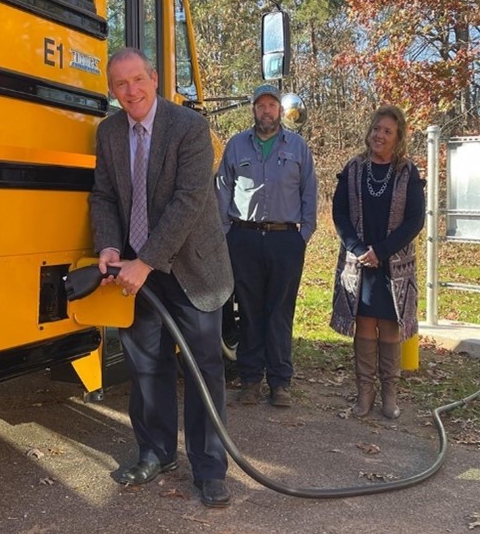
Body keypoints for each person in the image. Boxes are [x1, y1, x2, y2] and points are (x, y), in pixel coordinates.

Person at [88, 47, 235, 508]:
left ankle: (210, 468)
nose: (131, 91)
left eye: (137, 80)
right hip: (136, 267)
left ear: (154, 78)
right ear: (112, 91)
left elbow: (189, 202)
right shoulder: (109, 132)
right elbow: (104, 196)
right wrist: (110, 246)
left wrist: (144, 261)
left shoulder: (189, 128)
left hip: (192, 269)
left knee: (202, 368)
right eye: (120, 85)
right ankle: (155, 453)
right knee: (146, 365)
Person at [215, 84, 317, 407]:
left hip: (285, 238)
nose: (267, 111)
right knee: (248, 309)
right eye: (261, 105)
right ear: (254, 110)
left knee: (280, 311)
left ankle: (280, 382)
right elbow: (221, 190)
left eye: (272, 105)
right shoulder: (235, 146)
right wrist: (226, 233)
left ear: (279, 110)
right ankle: (250, 380)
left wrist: (302, 236)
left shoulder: (298, 147)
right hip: (243, 238)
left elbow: (309, 192)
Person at [330, 105, 424, 419]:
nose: (379, 136)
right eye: (376, 129)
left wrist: (381, 251)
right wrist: (357, 248)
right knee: (366, 324)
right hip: (359, 262)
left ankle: (390, 397)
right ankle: (364, 395)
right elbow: (339, 213)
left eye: (387, 131)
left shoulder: (407, 172)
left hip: (393, 265)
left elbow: (415, 221)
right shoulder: (354, 168)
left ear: (398, 139)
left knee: (391, 326)